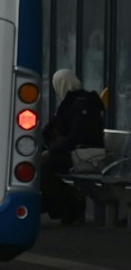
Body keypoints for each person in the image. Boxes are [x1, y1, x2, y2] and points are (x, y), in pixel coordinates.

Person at [42, 69, 106, 224]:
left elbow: (77, 135)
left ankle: (70, 205)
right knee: (41, 166)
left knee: (43, 168)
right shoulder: (71, 102)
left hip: (88, 156)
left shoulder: (81, 103)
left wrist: (51, 150)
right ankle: (66, 203)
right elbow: (51, 129)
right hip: (78, 153)